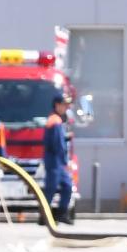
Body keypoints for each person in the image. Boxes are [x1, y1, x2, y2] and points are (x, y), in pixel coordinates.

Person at [42, 92, 75, 226]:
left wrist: (66, 137)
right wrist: (65, 161)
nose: (66, 108)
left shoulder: (57, 120)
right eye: (63, 105)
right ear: (57, 105)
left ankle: (61, 214)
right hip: (55, 160)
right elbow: (57, 144)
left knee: (67, 186)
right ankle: (44, 216)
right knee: (51, 188)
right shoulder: (55, 120)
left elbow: (59, 139)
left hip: (57, 160)